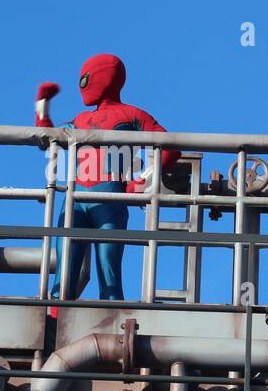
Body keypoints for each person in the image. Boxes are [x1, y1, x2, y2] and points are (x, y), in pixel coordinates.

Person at [34, 53, 179, 304]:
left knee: (108, 271)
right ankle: (55, 319)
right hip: (77, 201)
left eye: (84, 80)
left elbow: (170, 148)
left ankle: (109, 325)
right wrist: (42, 108)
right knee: (64, 271)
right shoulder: (81, 120)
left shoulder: (131, 115)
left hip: (108, 199)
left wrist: (142, 180)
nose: (82, 86)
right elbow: (48, 140)